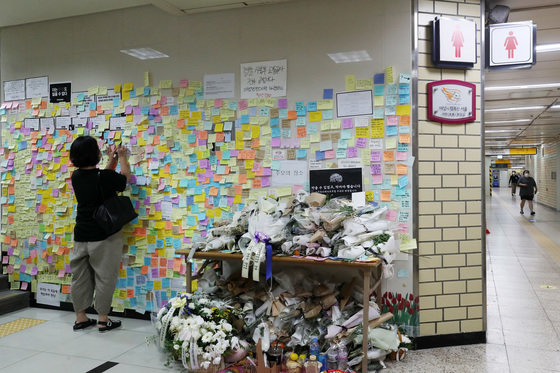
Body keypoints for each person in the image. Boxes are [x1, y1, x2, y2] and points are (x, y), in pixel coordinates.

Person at [69, 136, 130, 332]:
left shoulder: (76, 177)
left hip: (81, 235)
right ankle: (103, 319)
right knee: (105, 277)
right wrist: (121, 157)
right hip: (104, 235)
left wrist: (111, 161)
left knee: (80, 278)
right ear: (94, 154)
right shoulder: (104, 178)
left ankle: (81, 318)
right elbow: (124, 180)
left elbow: (100, 177)